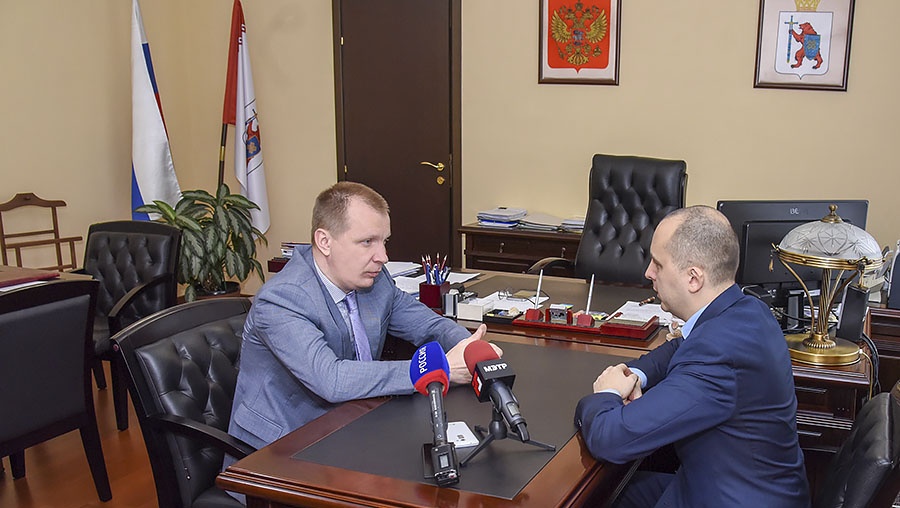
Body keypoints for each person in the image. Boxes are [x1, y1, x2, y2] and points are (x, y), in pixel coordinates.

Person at [574, 205, 810, 508]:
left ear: (693, 278)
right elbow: (680, 347)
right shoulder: (748, 310)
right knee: (615, 493)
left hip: (731, 499)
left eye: (658, 264)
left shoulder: (717, 354)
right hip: (727, 482)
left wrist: (605, 392)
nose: (648, 273)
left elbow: (611, 439)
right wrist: (635, 376)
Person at [227, 181, 490, 452]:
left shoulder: (375, 281)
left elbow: (428, 324)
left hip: (353, 422)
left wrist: (468, 348)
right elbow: (331, 380)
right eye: (367, 242)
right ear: (325, 241)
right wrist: (435, 369)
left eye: (384, 241)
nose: (383, 257)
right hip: (281, 446)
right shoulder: (282, 298)